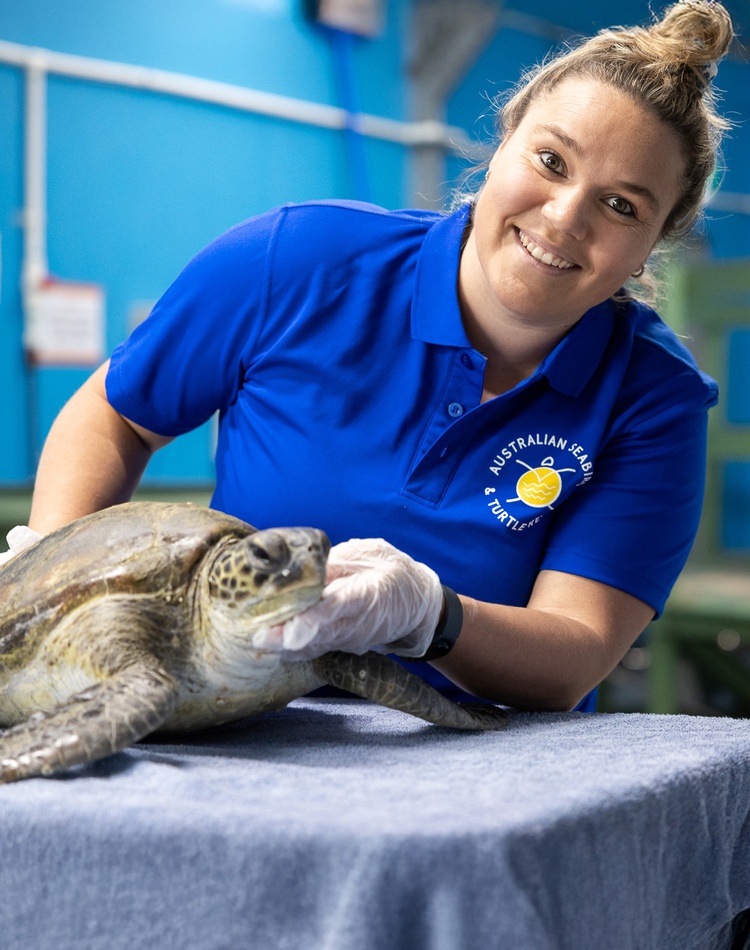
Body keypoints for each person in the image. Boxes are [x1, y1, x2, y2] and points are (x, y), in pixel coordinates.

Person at [18, 0, 735, 712]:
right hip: (237, 717)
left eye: (622, 207)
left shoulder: (653, 396)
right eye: (551, 161)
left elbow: (573, 652)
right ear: (504, 141)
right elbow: (118, 414)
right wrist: (47, 578)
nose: (565, 216)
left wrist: (431, 617)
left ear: (654, 245)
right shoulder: (296, 260)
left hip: (484, 765)